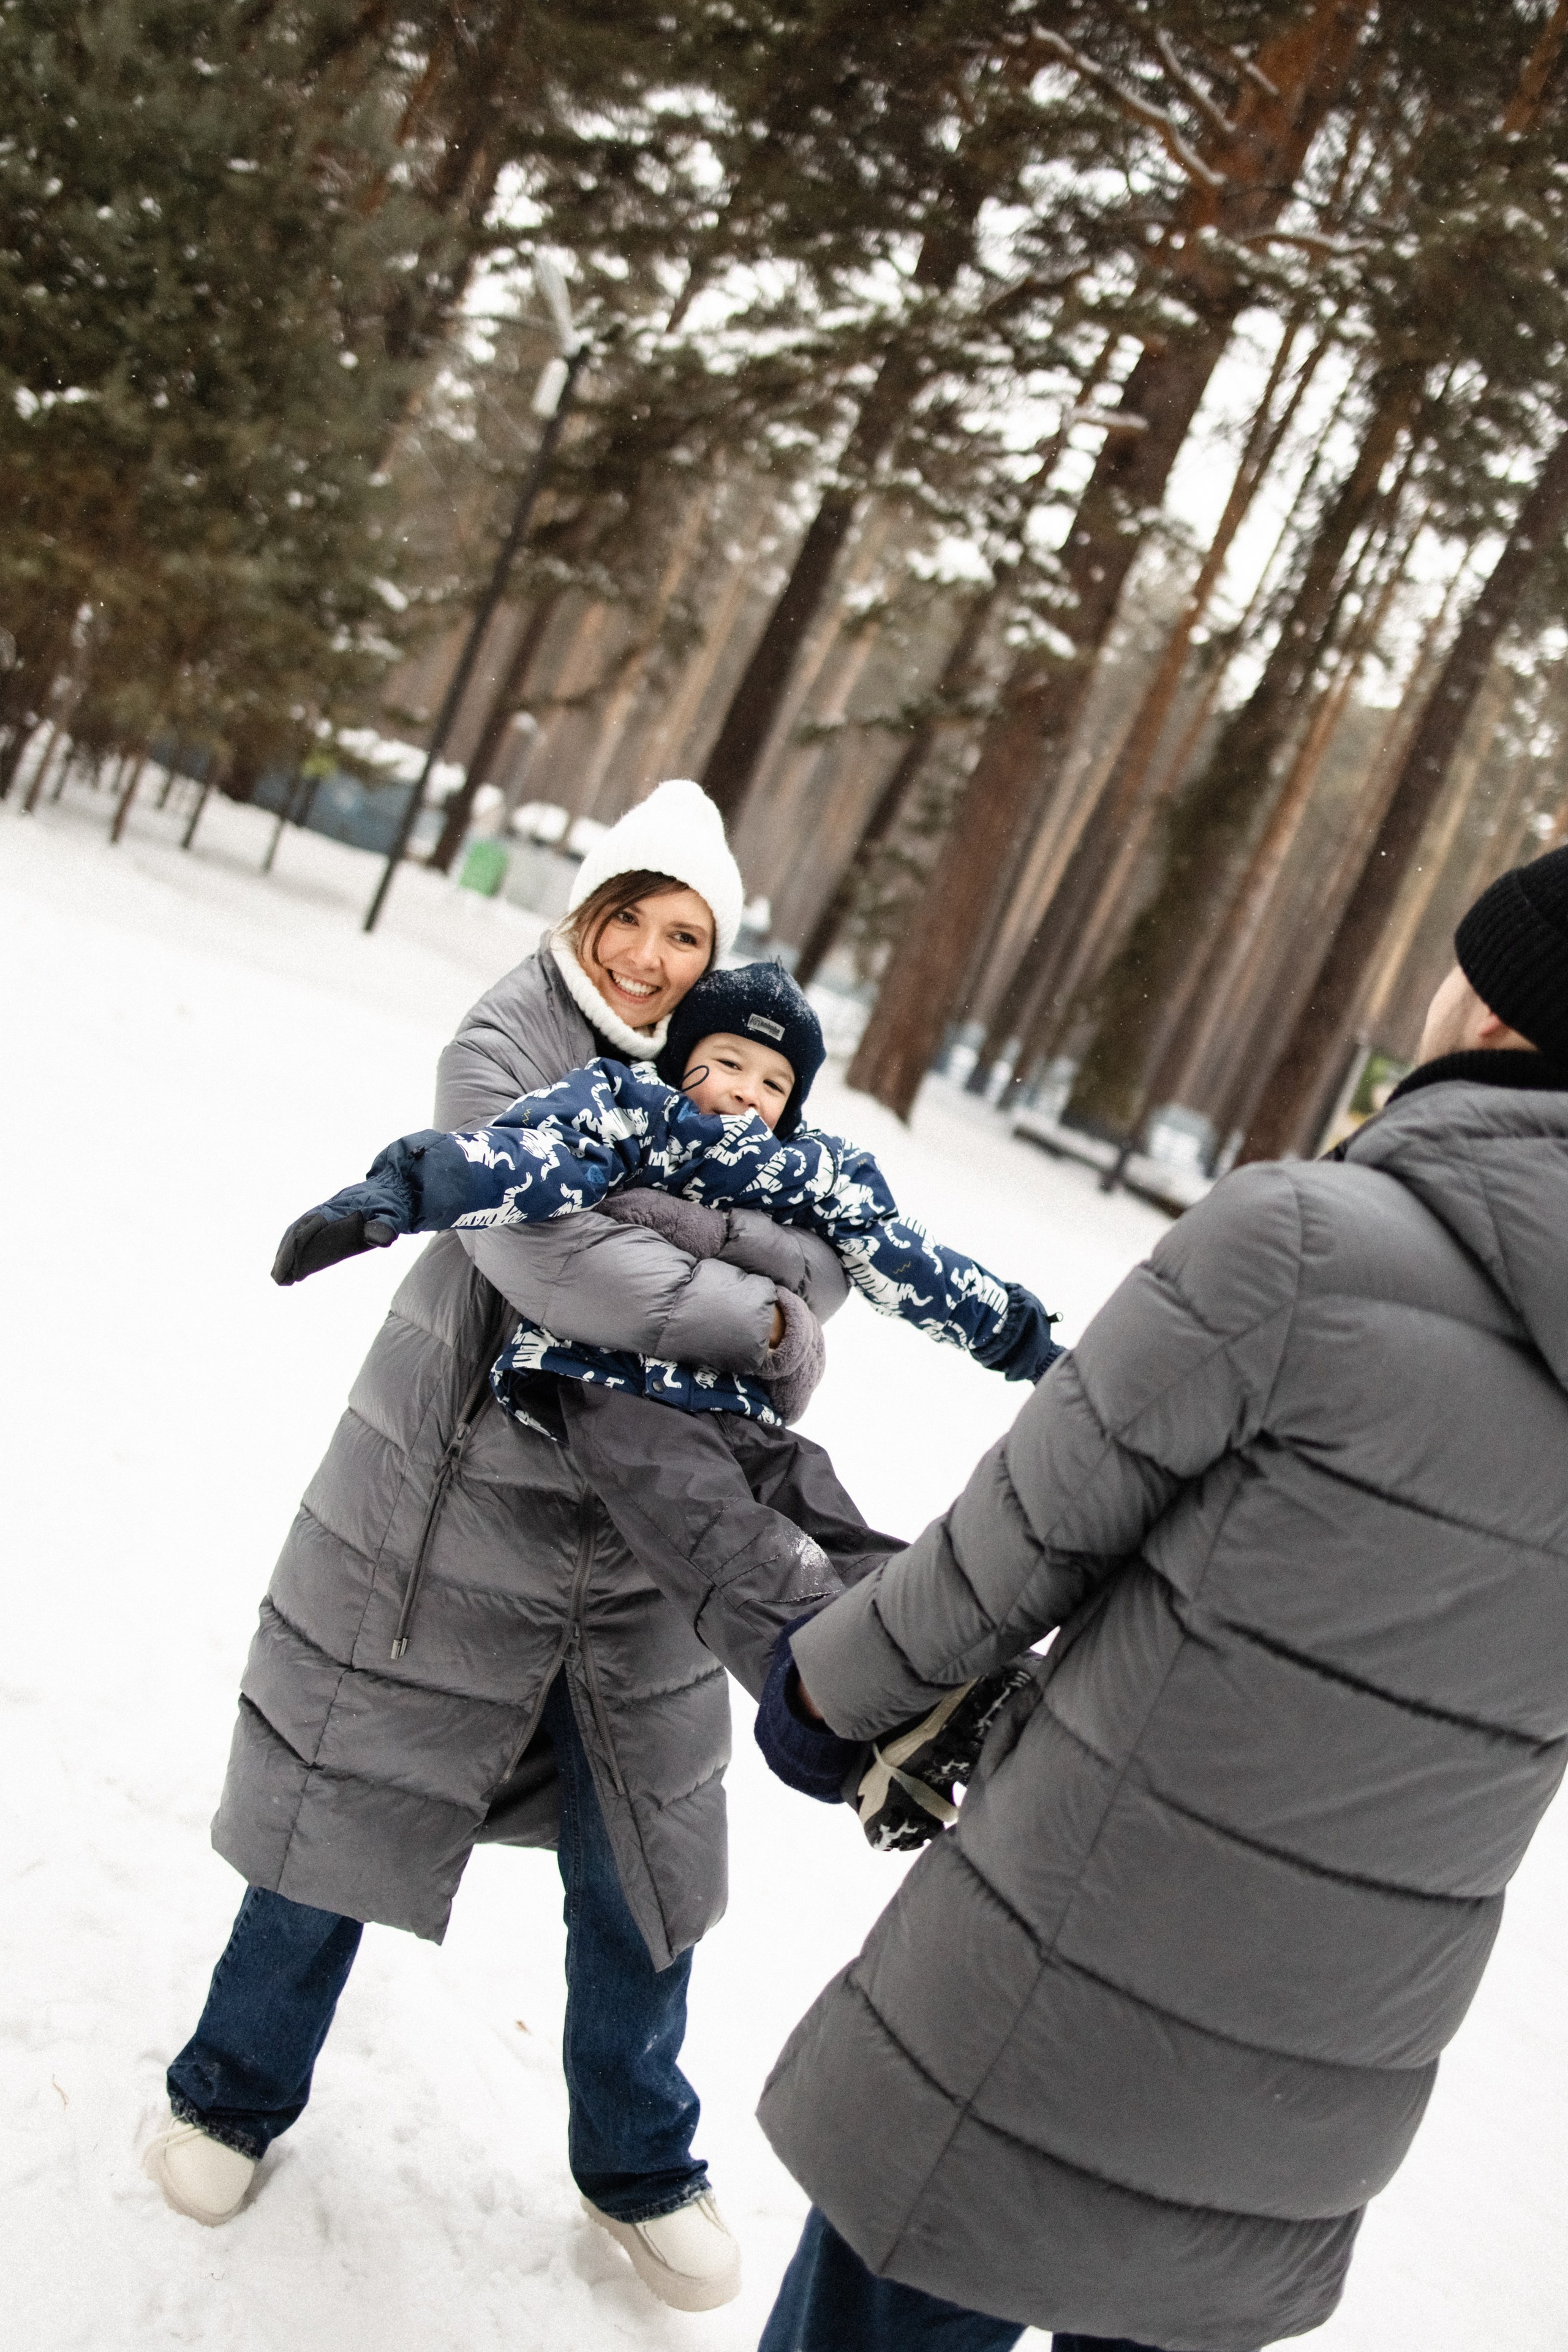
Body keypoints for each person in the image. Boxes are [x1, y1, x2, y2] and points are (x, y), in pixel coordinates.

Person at [744, 842, 1568, 2352]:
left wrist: (823, 1694)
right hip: (1310, 2090)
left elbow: (1015, 1541)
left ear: (1502, 1020)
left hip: (1053, 2007)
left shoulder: (1303, 1247)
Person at [145, 779, 859, 2312]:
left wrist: (782, 1294)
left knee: (645, 1870)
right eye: (633, 920)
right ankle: (228, 2089)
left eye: (686, 935)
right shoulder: (506, 1048)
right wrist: (763, 1311)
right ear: (582, 912)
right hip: (450, 1522)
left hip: (634, 1564)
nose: (653, 959)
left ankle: (639, 2167)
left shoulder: (718, 1075)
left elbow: (824, 1250)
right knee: (345, 1802)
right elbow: (557, 1261)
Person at [267, 957, 1060, 1817]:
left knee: (818, 1507)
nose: (746, 1092)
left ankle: (969, 1661)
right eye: (725, 1063)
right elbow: (528, 1159)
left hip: (740, 1399)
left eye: (773, 1080)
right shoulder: (630, 1113)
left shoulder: (813, 1171)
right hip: (613, 1389)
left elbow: (910, 1263)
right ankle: (836, 1695)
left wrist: (1021, 1336)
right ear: (682, 1061)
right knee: (719, 1527)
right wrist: (404, 1187)